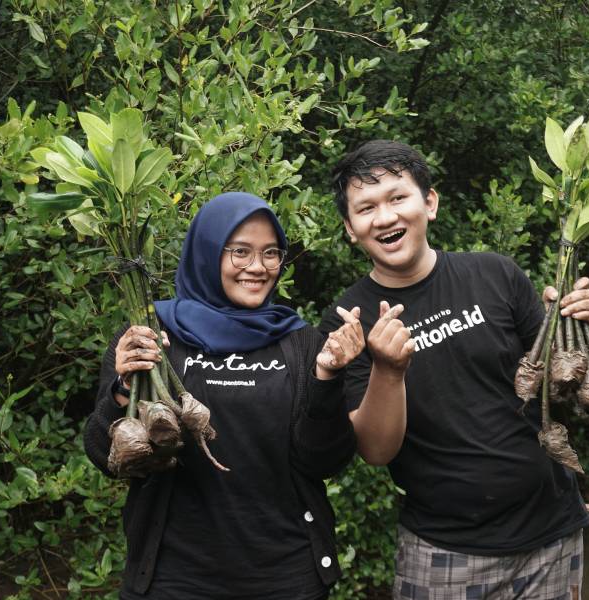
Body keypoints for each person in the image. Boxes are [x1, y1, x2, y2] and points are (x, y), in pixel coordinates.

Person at [84, 192, 405, 599]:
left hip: (285, 578)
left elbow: (323, 461)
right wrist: (123, 389)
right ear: (206, 253)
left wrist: (327, 377)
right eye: (239, 252)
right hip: (174, 580)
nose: (258, 267)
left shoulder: (300, 341)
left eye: (271, 253)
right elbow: (104, 457)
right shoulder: (152, 337)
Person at [320, 140, 589, 599]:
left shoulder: (496, 274)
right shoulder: (348, 319)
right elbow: (375, 450)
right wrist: (389, 371)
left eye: (397, 197)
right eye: (366, 208)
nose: (385, 217)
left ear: (429, 203)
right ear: (351, 229)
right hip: (444, 548)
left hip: (553, 531)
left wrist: (573, 329)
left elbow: (559, 389)